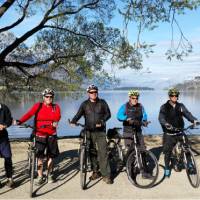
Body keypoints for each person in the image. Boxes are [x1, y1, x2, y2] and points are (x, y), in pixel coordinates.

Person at [14, 88, 61, 185]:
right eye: (47, 96)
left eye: (51, 97)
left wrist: (55, 122)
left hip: (51, 135)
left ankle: (49, 174)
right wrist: (20, 121)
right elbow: (29, 114)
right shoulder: (38, 106)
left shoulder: (56, 107)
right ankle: (40, 176)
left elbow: (58, 116)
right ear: (43, 97)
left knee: (50, 156)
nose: (49, 98)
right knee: (39, 157)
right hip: (39, 134)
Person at [69, 84, 112, 184]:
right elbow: (78, 114)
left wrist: (102, 121)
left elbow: (108, 114)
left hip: (100, 131)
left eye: (95, 92)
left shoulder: (102, 102)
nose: (94, 94)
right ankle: (95, 171)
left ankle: (106, 175)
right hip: (88, 131)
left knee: (103, 153)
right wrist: (73, 121)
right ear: (88, 93)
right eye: (92, 92)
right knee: (91, 152)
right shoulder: (84, 104)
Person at [159, 88, 198, 178]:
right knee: (168, 152)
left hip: (180, 131)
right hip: (169, 133)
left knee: (186, 147)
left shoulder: (180, 106)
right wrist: (166, 124)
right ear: (169, 96)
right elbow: (161, 118)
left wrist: (193, 120)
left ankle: (190, 165)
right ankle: (167, 168)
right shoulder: (164, 107)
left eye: (176, 95)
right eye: (172, 95)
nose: (174, 97)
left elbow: (187, 114)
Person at [0, 103, 14, 188]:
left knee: (8, 157)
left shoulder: (4, 108)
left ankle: (10, 178)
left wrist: (4, 125)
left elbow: (9, 120)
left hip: (3, 138)